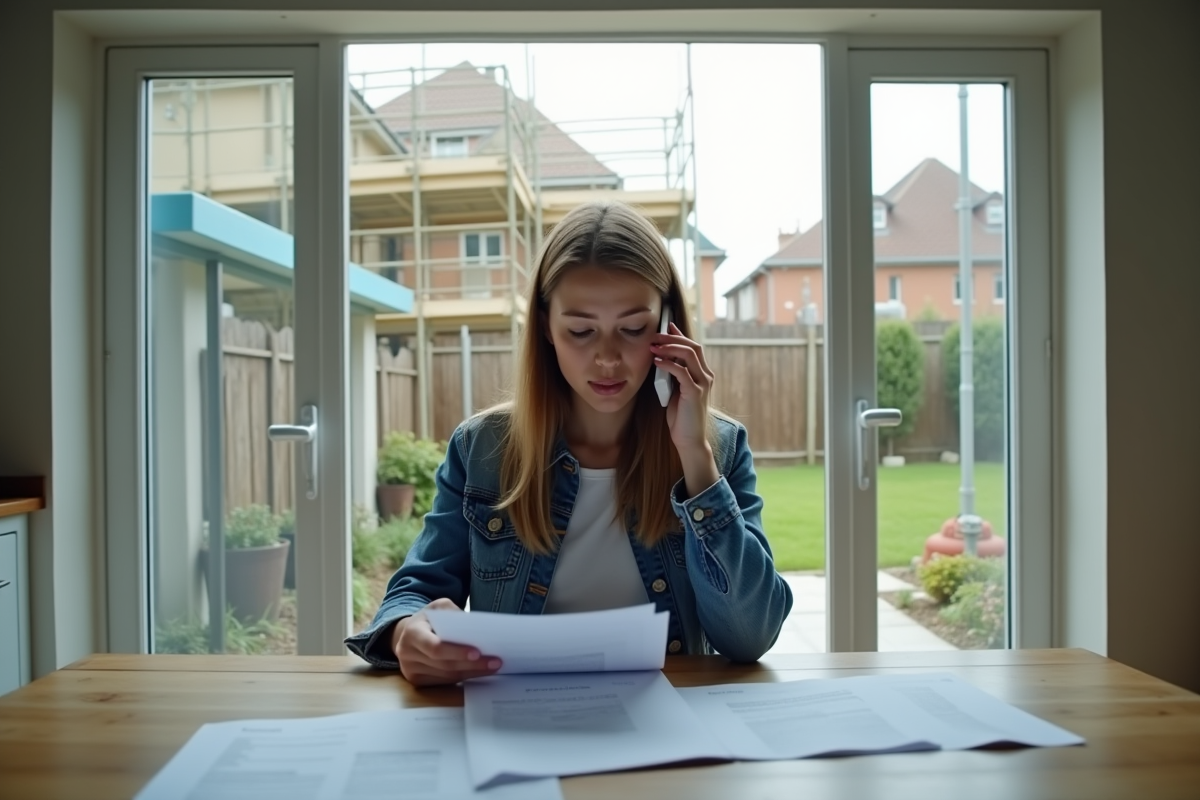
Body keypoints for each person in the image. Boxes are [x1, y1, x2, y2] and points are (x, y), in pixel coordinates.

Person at [345, 201, 794, 686]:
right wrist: (407, 631)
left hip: (669, 729)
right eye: (580, 331)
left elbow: (752, 636)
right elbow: (414, 592)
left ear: (669, 328)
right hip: (521, 725)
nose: (607, 359)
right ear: (545, 327)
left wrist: (695, 458)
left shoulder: (719, 449)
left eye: (633, 329)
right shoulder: (483, 451)